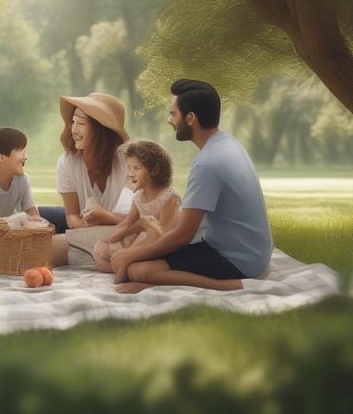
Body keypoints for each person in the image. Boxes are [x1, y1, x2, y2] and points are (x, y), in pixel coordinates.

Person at [112, 78, 273, 293]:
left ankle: (223, 286)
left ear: (190, 118)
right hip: (254, 252)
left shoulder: (207, 163)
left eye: (173, 113)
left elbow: (182, 235)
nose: (169, 120)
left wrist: (129, 254)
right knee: (148, 258)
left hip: (238, 261)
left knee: (137, 269)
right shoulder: (227, 142)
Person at [49, 92, 133, 268]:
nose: (74, 130)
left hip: (125, 233)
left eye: (81, 123)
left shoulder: (128, 163)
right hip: (84, 231)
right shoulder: (67, 163)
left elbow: (139, 221)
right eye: (73, 122)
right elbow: (72, 216)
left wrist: (106, 217)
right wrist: (85, 224)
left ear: (100, 129)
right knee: (44, 244)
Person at [93, 139, 181, 274]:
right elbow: (125, 224)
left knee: (144, 234)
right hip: (144, 243)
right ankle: (122, 263)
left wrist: (127, 252)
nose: (130, 173)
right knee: (100, 249)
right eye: (128, 167)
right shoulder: (138, 197)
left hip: (163, 249)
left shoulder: (169, 198)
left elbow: (163, 238)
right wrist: (109, 241)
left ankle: (125, 263)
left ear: (155, 170)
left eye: (136, 168)